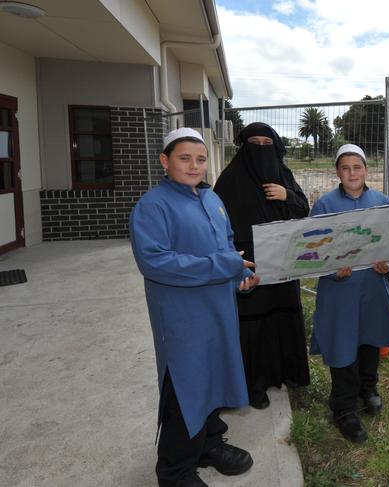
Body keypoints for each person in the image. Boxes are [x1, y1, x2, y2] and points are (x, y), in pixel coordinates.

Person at [129, 127, 260, 487]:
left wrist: (238, 278)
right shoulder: (152, 206)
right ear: (165, 161)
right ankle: (174, 471)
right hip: (182, 317)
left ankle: (209, 444)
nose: (194, 166)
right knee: (185, 388)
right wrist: (224, 267)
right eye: (184, 158)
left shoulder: (212, 200)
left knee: (215, 376)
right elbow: (155, 262)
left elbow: (228, 247)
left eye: (200, 159)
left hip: (219, 310)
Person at [213, 122, 310, 409]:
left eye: (267, 145)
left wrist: (287, 195)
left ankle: (290, 372)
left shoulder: (284, 175)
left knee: (284, 311)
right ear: (244, 147)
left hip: (282, 261)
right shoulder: (230, 179)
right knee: (254, 320)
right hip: (249, 264)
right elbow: (218, 227)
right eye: (254, 143)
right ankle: (255, 385)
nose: (260, 150)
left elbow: (304, 209)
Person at [309, 144, 389, 444]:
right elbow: (312, 249)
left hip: (373, 287)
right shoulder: (324, 205)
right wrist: (333, 271)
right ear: (337, 172)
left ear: (366, 170)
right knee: (343, 345)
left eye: (357, 167)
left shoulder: (382, 202)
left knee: (369, 341)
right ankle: (345, 407)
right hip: (341, 291)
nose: (351, 173)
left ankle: (368, 389)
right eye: (345, 168)